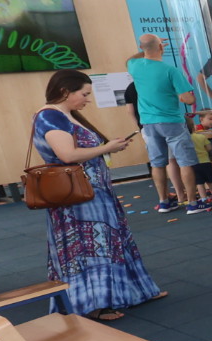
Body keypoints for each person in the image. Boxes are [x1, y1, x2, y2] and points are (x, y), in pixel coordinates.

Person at [31, 70, 163, 320]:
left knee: (109, 242)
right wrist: (106, 148)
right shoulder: (50, 116)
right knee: (89, 248)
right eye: (84, 94)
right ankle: (94, 305)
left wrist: (108, 148)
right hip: (77, 199)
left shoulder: (65, 115)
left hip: (92, 192)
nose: (87, 99)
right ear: (65, 92)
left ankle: (130, 292)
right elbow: (67, 155)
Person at [128, 34, 209, 215]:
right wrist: (183, 96)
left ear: (142, 48)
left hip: (148, 123)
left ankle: (164, 202)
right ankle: (192, 203)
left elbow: (130, 59)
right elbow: (188, 98)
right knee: (185, 162)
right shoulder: (171, 70)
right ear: (161, 47)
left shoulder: (135, 66)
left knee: (157, 164)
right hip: (172, 122)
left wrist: (146, 47)